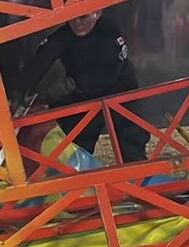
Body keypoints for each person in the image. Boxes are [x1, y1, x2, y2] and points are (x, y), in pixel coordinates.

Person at [11, 11, 148, 162]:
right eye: (72, 17)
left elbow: (105, 74)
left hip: (120, 93)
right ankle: (78, 174)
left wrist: (62, 90)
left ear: (98, 13)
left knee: (131, 141)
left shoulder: (109, 32)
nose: (77, 23)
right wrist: (18, 92)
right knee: (77, 141)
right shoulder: (64, 36)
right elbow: (39, 63)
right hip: (85, 97)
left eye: (84, 17)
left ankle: (138, 175)